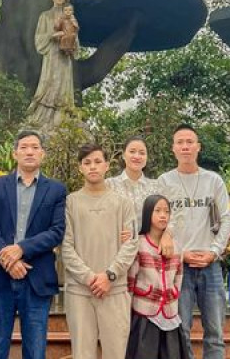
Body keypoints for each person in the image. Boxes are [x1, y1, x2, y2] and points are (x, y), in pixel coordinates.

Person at [0, 130, 66, 359]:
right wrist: (8, 260)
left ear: (43, 153)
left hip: (37, 279)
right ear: (15, 153)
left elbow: (56, 231)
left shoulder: (56, 189)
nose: (29, 152)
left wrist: (21, 249)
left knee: (35, 350)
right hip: (1, 278)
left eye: (35, 147)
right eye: (24, 147)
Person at [158, 124, 230, 359]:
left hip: (210, 266)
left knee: (215, 333)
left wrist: (214, 252)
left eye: (190, 142)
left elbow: (227, 219)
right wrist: (180, 253)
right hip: (178, 267)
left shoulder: (213, 181)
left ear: (198, 147)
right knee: (181, 331)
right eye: (180, 142)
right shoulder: (164, 182)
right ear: (173, 148)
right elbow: (157, 223)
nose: (185, 147)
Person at [61, 143, 138, 359]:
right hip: (79, 291)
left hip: (114, 289)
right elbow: (66, 246)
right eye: (87, 163)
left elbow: (131, 243)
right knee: (82, 353)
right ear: (80, 168)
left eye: (97, 161)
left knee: (116, 352)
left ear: (107, 165)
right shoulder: (70, 203)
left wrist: (109, 275)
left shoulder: (123, 203)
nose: (93, 167)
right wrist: (89, 278)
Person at [126, 194, 188, 359]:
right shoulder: (139, 245)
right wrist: (128, 310)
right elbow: (130, 280)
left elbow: (179, 276)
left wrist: (173, 292)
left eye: (166, 212)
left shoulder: (177, 247)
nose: (163, 215)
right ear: (148, 213)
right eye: (158, 211)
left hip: (169, 312)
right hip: (144, 313)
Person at [107, 136, 176, 255]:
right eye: (132, 151)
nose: (137, 156)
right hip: (117, 252)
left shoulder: (156, 187)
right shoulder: (109, 185)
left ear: (146, 157)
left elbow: (174, 214)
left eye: (142, 153)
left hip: (150, 254)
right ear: (123, 155)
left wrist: (167, 234)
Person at [27, 0, 78, 130]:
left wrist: (72, 41)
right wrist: (52, 35)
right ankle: (44, 116)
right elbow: (39, 37)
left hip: (64, 56)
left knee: (63, 83)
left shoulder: (69, 17)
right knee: (49, 81)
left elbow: (75, 35)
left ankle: (62, 116)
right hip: (51, 55)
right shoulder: (45, 16)